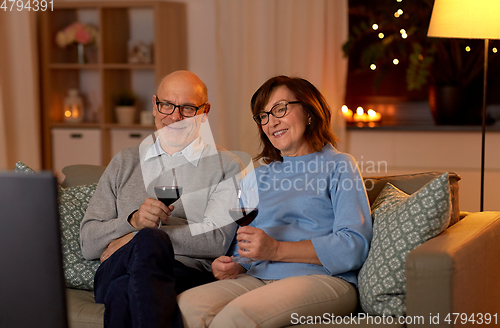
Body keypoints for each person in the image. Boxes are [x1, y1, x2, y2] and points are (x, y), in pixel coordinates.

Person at [178, 76, 373, 328]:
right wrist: (234, 265)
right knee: (186, 307)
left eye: (280, 109)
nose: (272, 122)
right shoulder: (258, 176)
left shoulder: (339, 165)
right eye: (263, 115)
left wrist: (277, 250)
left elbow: (353, 246)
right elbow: (246, 249)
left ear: (309, 110)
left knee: (236, 317)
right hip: (259, 277)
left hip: (324, 279)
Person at [80, 70, 245, 328]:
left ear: (205, 112)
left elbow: (216, 241)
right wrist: (133, 221)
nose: (175, 117)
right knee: (143, 246)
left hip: (183, 272)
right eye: (167, 105)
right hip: (115, 268)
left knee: (123, 290)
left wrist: (135, 237)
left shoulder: (227, 166)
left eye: (188, 108)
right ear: (155, 105)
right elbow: (88, 242)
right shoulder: (125, 161)